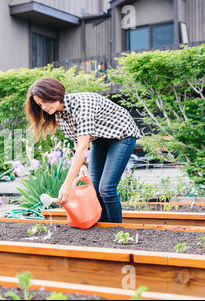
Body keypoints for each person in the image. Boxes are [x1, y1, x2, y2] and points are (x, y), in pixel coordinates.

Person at [25, 78, 142, 223]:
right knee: (95, 188)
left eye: (45, 101)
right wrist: (81, 166)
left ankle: (116, 230)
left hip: (122, 136)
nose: (43, 107)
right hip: (100, 139)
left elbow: (82, 148)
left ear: (55, 93)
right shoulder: (60, 114)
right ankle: (103, 226)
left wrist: (66, 185)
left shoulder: (82, 104)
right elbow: (76, 140)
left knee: (106, 189)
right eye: (40, 104)